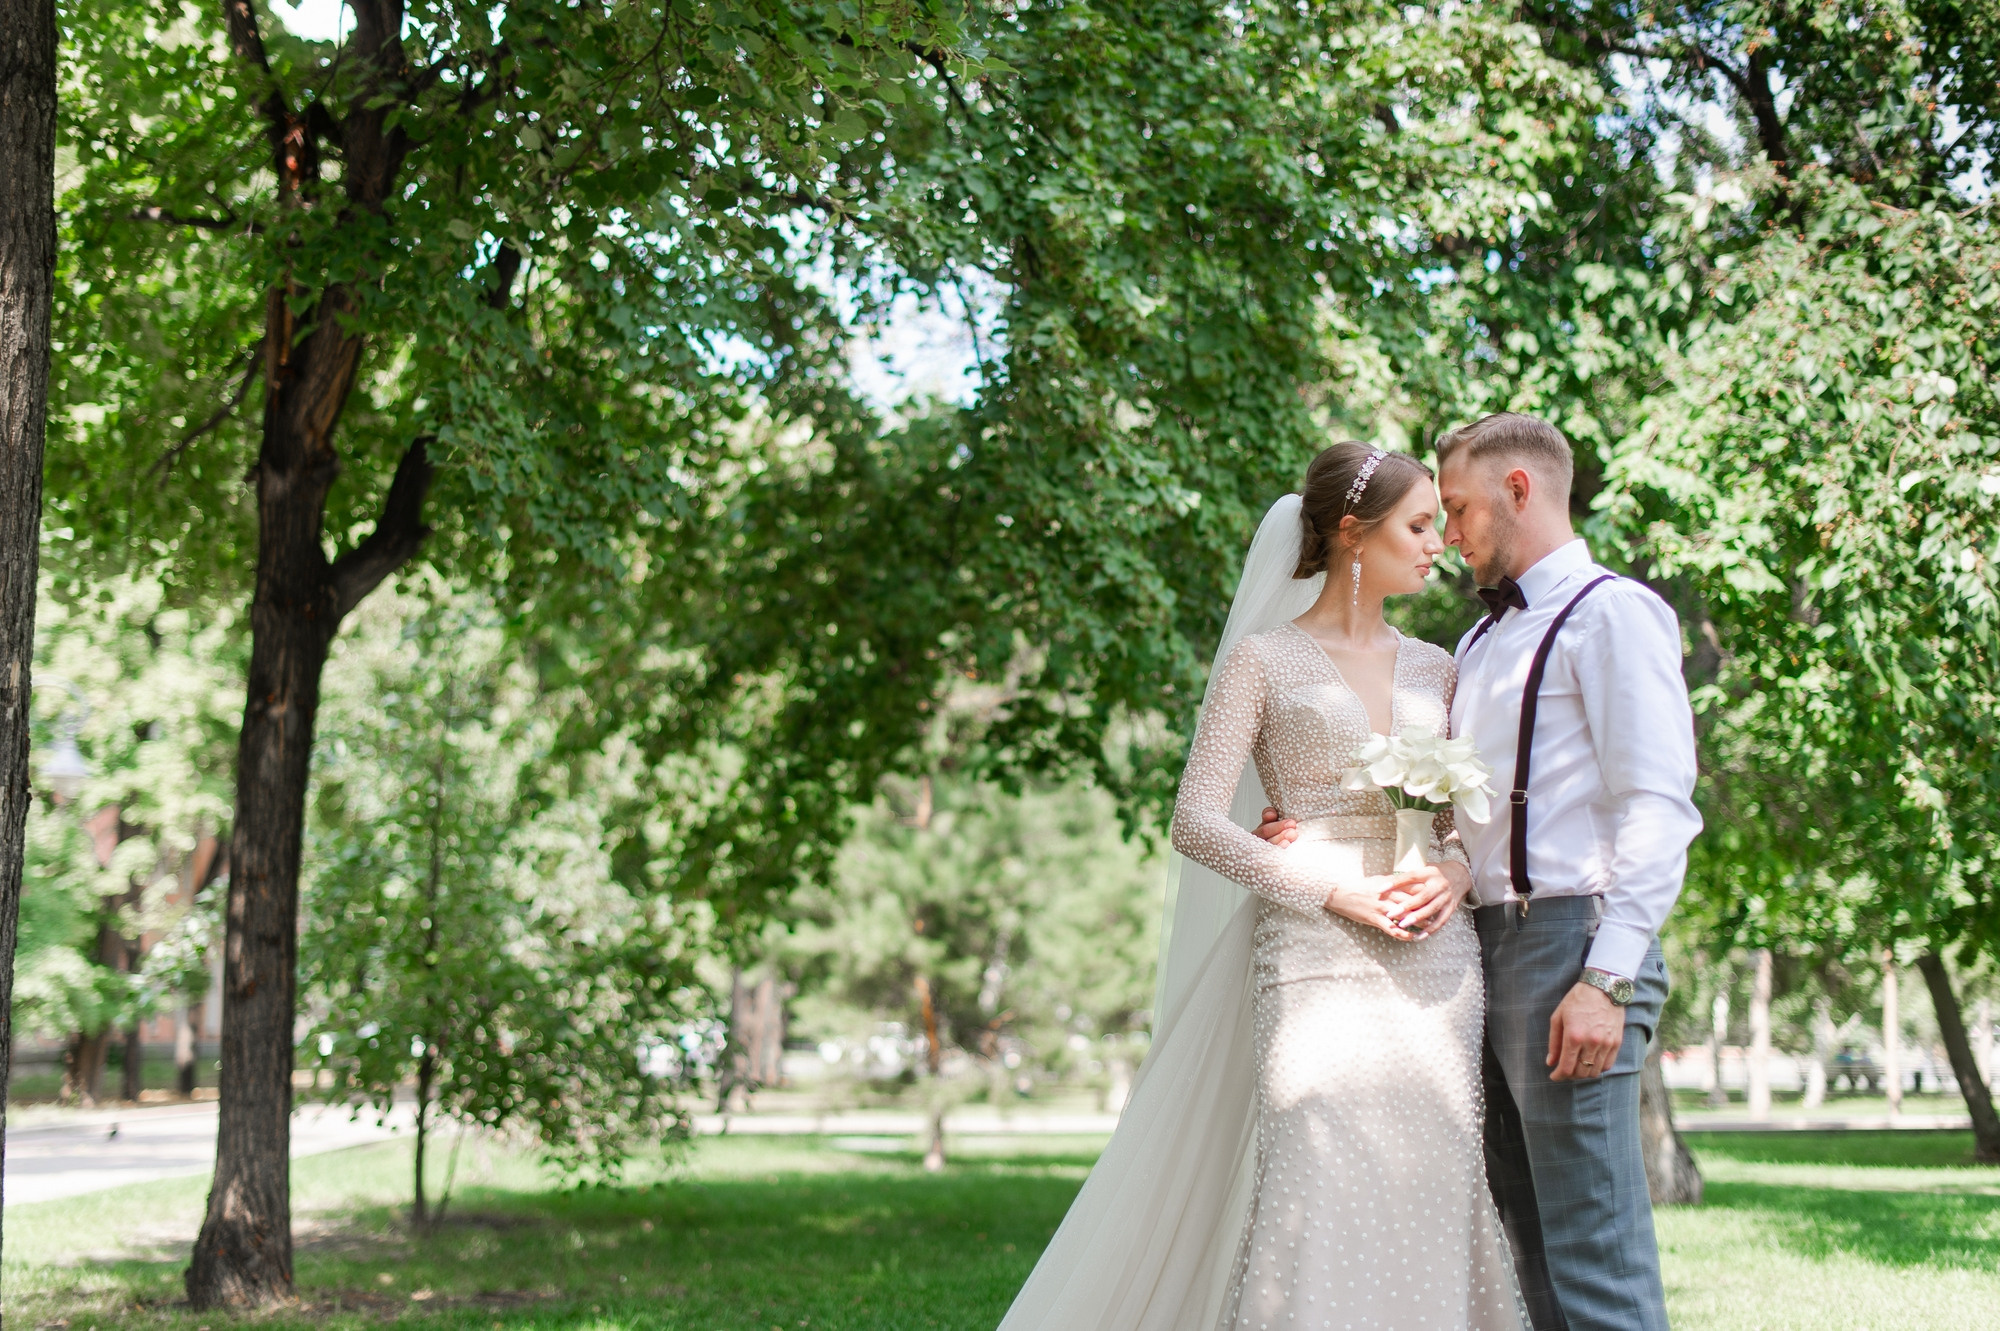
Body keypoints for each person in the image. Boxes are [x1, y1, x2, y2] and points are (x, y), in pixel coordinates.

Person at [997, 442, 1525, 1331]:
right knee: (1315, 1179)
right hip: (1314, 952)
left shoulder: (1440, 664)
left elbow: (1454, 824)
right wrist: (1327, 886)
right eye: (1420, 523)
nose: (1440, 542)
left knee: (1439, 1176)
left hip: (1436, 960)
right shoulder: (1262, 660)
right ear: (1354, 535)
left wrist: (1458, 871)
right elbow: (1195, 820)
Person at [1257, 413, 1700, 1330]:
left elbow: (1658, 808)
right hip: (1471, 959)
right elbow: (1453, 820)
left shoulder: (1613, 614)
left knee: (1593, 1245)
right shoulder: (1472, 648)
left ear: (1520, 491)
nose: (1447, 535)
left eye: (1455, 508)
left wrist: (1607, 978)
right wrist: (1326, 833)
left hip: (1573, 943)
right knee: (1521, 1237)